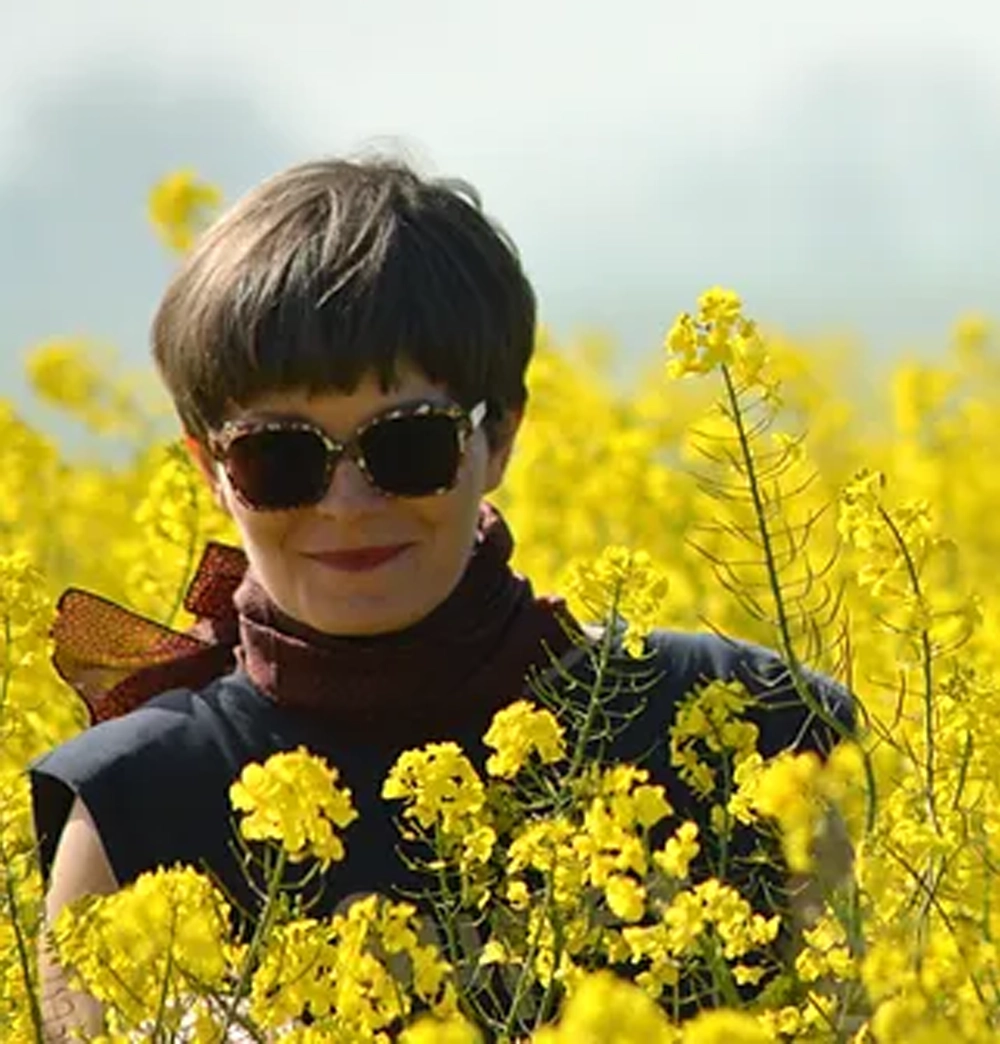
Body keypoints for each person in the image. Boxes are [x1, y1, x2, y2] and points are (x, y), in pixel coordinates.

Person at [29, 157, 853, 1039]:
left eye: (409, 446)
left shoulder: (758, 724)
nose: (347, 507)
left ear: (497, 438)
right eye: (280, 457)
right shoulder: (137, 803)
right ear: (213, 475)